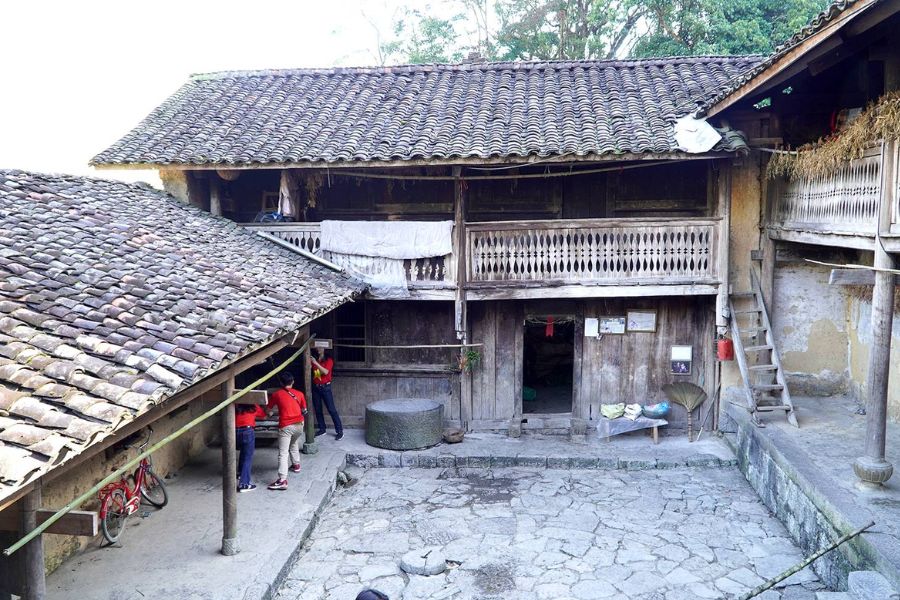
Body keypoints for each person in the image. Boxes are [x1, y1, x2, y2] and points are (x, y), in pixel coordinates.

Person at [265, 372, 307, 491]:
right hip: (299, 425)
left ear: (281, 383)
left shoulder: (277, 394)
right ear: (292, 381)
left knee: (283, 453)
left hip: (286, 426)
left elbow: (268, 409)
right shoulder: (300, 394)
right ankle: (296, 465)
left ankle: (282, 480)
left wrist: (270, 413)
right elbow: (304, 409)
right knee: (293, 443)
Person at [311, 348, 343, 440]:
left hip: (326, 387)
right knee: (318, 409)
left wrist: (315, 363)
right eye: (317, 347)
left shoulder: (329, 360)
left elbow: (326, 372)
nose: (318, 349)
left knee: (331, 409)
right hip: (316, 387)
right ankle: (322, 429)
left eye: (320, 347)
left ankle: (339, 431)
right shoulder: (315, 359)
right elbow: (314, 373)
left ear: (324, 349)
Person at [235, 403, 266, 492]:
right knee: (248, 457)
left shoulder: (235, 405)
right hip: (247, 431)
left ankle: (240, 473)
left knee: (243, 452)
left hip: (233, 430)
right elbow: (263, 416)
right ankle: (244, 484)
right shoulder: (254, 406)